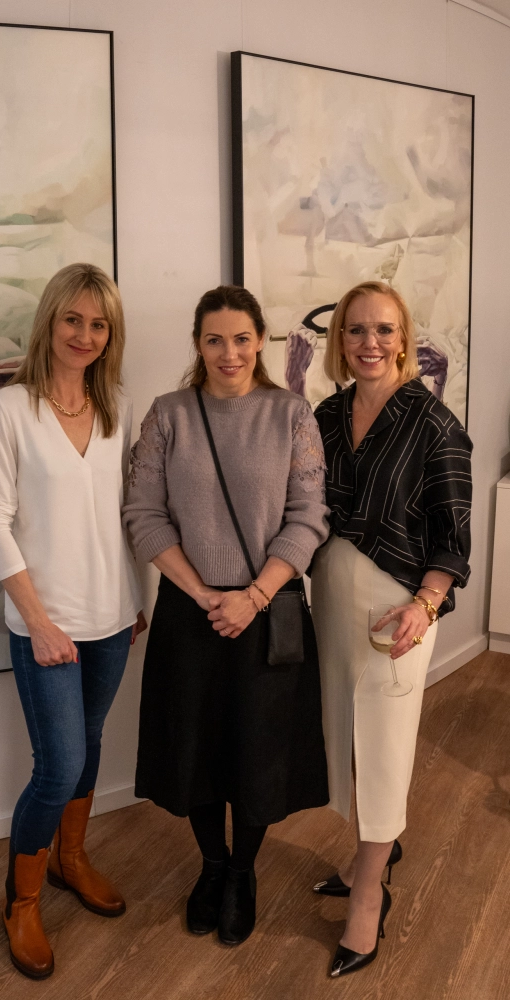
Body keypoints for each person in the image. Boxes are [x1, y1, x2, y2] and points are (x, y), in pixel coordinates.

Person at [122, 285, 329, 947]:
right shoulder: (168, 415)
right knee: (197, 750)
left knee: (259, 754)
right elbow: (143, 514)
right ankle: (212, 865)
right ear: (198, 344)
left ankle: (243, 873)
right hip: (191, 615)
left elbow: (308, 518)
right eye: (215, 340)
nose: (229, 353)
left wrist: (253, 596)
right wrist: (200, 591)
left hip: (266, 611)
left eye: (242, 339)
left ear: (260, 340)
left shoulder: (291, 414)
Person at [0, 263, 146, 980]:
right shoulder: (9, 408)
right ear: (50, 320)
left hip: (113, 616)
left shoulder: (116, 408)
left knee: (92, 743)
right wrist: (38, 622)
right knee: (59, 767)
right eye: (73, 319)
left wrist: (138, 598)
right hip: (45, 623)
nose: (84, 335)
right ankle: (20, 902)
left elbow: (124, 515)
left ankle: (71, 858)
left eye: (99, 324)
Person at [310, 280, 472, 978]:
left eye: (383, 329)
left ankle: (369, 895)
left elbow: (454, 538)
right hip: (328, 599)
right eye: (355, 330)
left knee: (383, 745)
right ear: (339, 340)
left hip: (396, 610)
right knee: (346, 736)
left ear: (404, 338)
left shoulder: (435, 424)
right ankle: (372, 852)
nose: (369, 342)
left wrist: (426, 605)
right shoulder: (325, 414)